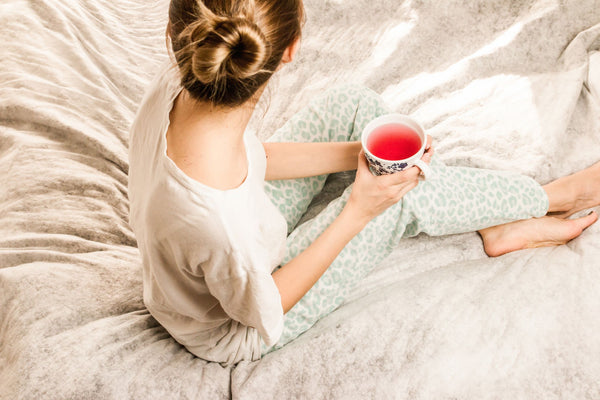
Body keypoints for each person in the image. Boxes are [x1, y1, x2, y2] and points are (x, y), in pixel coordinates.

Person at [127, 0, 599, 365]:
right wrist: (360, 209)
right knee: (397, 202)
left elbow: (252, 159)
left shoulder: (180, 83)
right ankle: (551, 198)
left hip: (240, 229)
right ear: (290, 50)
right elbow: (265, 308)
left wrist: (362, 155)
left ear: (175, 35)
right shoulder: (217, 225)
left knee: (353, 106)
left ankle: (494, 220)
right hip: (240, 326)